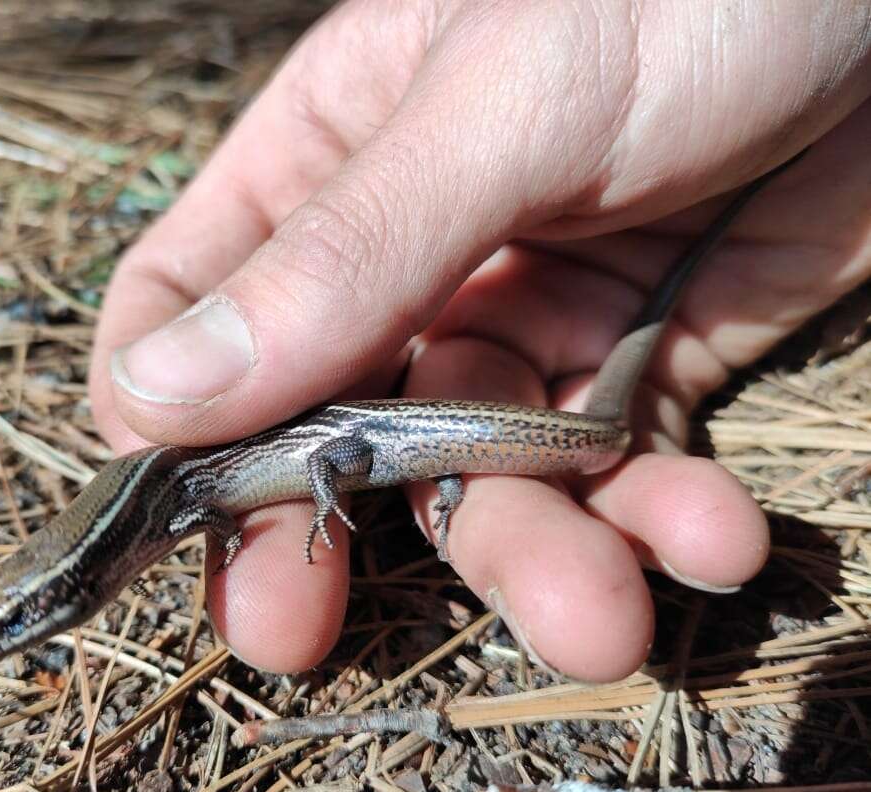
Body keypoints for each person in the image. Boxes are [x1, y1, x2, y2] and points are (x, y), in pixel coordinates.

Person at [86, 1, 871, 681]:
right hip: (373, 438)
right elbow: (215, 512)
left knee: (554, 454)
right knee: (552, 477)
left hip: (354, 443)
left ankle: (439, 478)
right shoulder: (167, 500)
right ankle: (453, 477)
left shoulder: (169, 496)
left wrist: (321, 497)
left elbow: (242, 497)